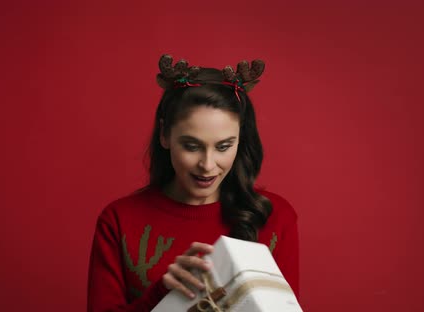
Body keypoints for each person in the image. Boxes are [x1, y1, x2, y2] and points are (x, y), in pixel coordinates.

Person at [87, 54, 299, 311]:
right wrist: (162, 294)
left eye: (223, 146)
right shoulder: (119, 220)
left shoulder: (275, 217)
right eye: (191, 146)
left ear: (240, 139)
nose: (207, 165)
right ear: (165, 134)